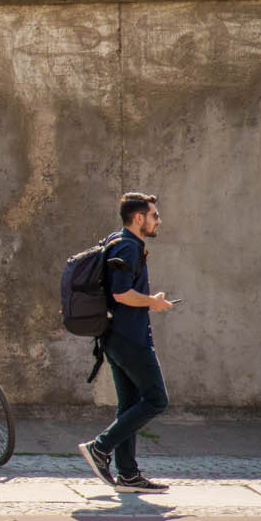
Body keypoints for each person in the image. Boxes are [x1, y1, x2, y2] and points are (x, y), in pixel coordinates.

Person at [79, 193, 173, 495]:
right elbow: (121, 293)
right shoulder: (128, 247)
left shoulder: (117, 241)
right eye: (154, 215)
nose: (158, 220)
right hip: (130, 338)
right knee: (157, 399)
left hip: (115, 337)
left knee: (130, 405)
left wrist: (148, 301)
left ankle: (129, 475)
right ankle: (99, 447)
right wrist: (152, 303)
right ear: (138, 218)